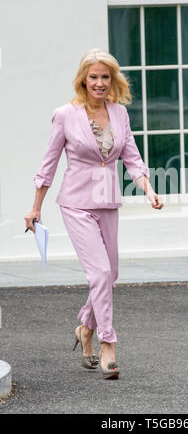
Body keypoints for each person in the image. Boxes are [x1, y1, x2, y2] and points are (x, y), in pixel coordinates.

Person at [24, 48, 163, 380]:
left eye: (105, 77)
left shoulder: (119, 114)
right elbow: (49, 163)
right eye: (94, 77)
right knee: (100, 274)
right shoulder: (65, 115)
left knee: (110, 274)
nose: (100, 83)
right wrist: (35, 207)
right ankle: (107, 343)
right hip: (75, 203)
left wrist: (149, 190)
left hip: (107, 201)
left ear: (112, 80)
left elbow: (131, 157)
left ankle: (84, 328)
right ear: (83, 80)